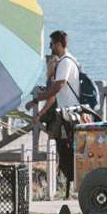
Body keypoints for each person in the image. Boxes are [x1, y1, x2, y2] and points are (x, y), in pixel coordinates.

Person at [29, 30, 82, 194]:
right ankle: (68, 186)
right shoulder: (72, 60)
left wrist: (37, 99)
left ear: (59, 44)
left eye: (51, 44)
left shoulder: (65, 62)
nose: (50, 47)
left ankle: (71, 184)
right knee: (65, 150)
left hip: (68, 114)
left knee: (65, 150)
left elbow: (58, 87)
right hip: (70, 112)